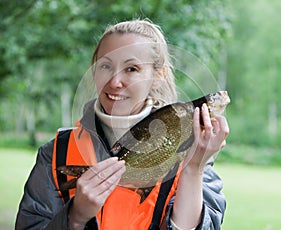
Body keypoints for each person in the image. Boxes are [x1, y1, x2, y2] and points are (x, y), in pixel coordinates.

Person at [16, 19, 229, 230]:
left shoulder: (193, 151)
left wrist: (193, 170)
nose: (115, 82)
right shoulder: (56, 153)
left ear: (157, 76)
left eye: (132, 69)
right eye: (106, 66)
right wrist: (76, 217)